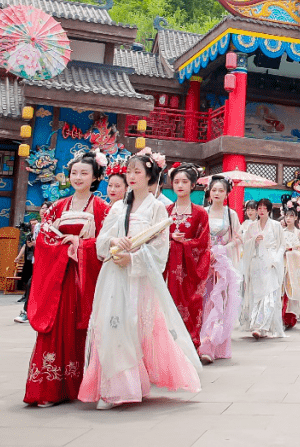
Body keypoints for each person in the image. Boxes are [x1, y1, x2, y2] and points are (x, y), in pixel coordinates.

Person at [78, 152, 201, 409]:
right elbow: (101, 241)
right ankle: (113, 388)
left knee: (134, 327)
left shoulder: (157, 208)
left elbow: (160, 250)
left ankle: (131, 384)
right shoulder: (118, 207)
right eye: (129, 172)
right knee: (112, 326)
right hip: (114, 274)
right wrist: (113, 242)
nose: (131, 177)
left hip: (138, 277)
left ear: (149, 176)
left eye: (137, 172)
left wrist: (133, 259)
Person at [24, 150, 110, 407]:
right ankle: (48, 388)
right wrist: (65, 247)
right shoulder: (58, 207)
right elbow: (44, 238)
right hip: (59, 277)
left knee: (79, 330)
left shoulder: (102, 208)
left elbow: (106, 243)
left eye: (84, 173)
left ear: (95, 177)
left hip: (84, 279)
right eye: (74, 173)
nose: (78, 177)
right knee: (53, 328)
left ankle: (76, 384)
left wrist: (82, 245)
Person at [163, 164, 210, 351]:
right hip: (167, 268)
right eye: (176, 182)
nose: (179, 185)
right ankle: (169, 348)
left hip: (189, 269)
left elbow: (203, 243)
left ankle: (191, 346)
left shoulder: (200, 213)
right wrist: (169, 238)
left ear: (192, 185)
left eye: (184, 181)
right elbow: (155, 236)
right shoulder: (165, 210)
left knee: (191, 305)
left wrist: (183, 244)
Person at [200, 175, 241, 364]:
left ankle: (213, 345)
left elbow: (237, 238)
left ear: (226, 194)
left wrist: (224, 249)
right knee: (204, 301)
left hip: (223, 262)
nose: (217, 193)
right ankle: (203, 342)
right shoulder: (202, 211)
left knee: (219, 303)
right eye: (214, 190)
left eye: (221, 190)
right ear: (209, 191)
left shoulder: (231, 215)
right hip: (204, 262)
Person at [239, 199, 285, 339]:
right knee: (257, 294)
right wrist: (254, 241)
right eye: (260, 207)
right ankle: (259, 325)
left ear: (269, 210)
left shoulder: (276, 226)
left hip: (271, 262)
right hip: (257, 261)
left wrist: (276, 260)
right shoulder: (252, 226)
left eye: (265, 207)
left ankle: (262, 326)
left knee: (269, 294)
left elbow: (282, 245)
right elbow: (245, 244)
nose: (261, 210)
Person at [281, 207, 300, 328]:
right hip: (282, 265)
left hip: (294, 267)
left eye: (291, 216)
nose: (288, 218)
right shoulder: (281, 232)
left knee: (292, 291)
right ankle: (281, 318)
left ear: (296, 218)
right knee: (281, 292)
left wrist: (293, 252)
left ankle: (290, 318)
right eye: (286, 216)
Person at [13, 212, 40, 324]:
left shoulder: (46, 229)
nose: (32, 226)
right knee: (29, 281)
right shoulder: (30, 235)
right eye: (31, 224)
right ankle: (27, 310)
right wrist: (18, 257)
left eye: (34, 224)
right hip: (31, 260)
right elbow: (27, 245)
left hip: (42, 261)